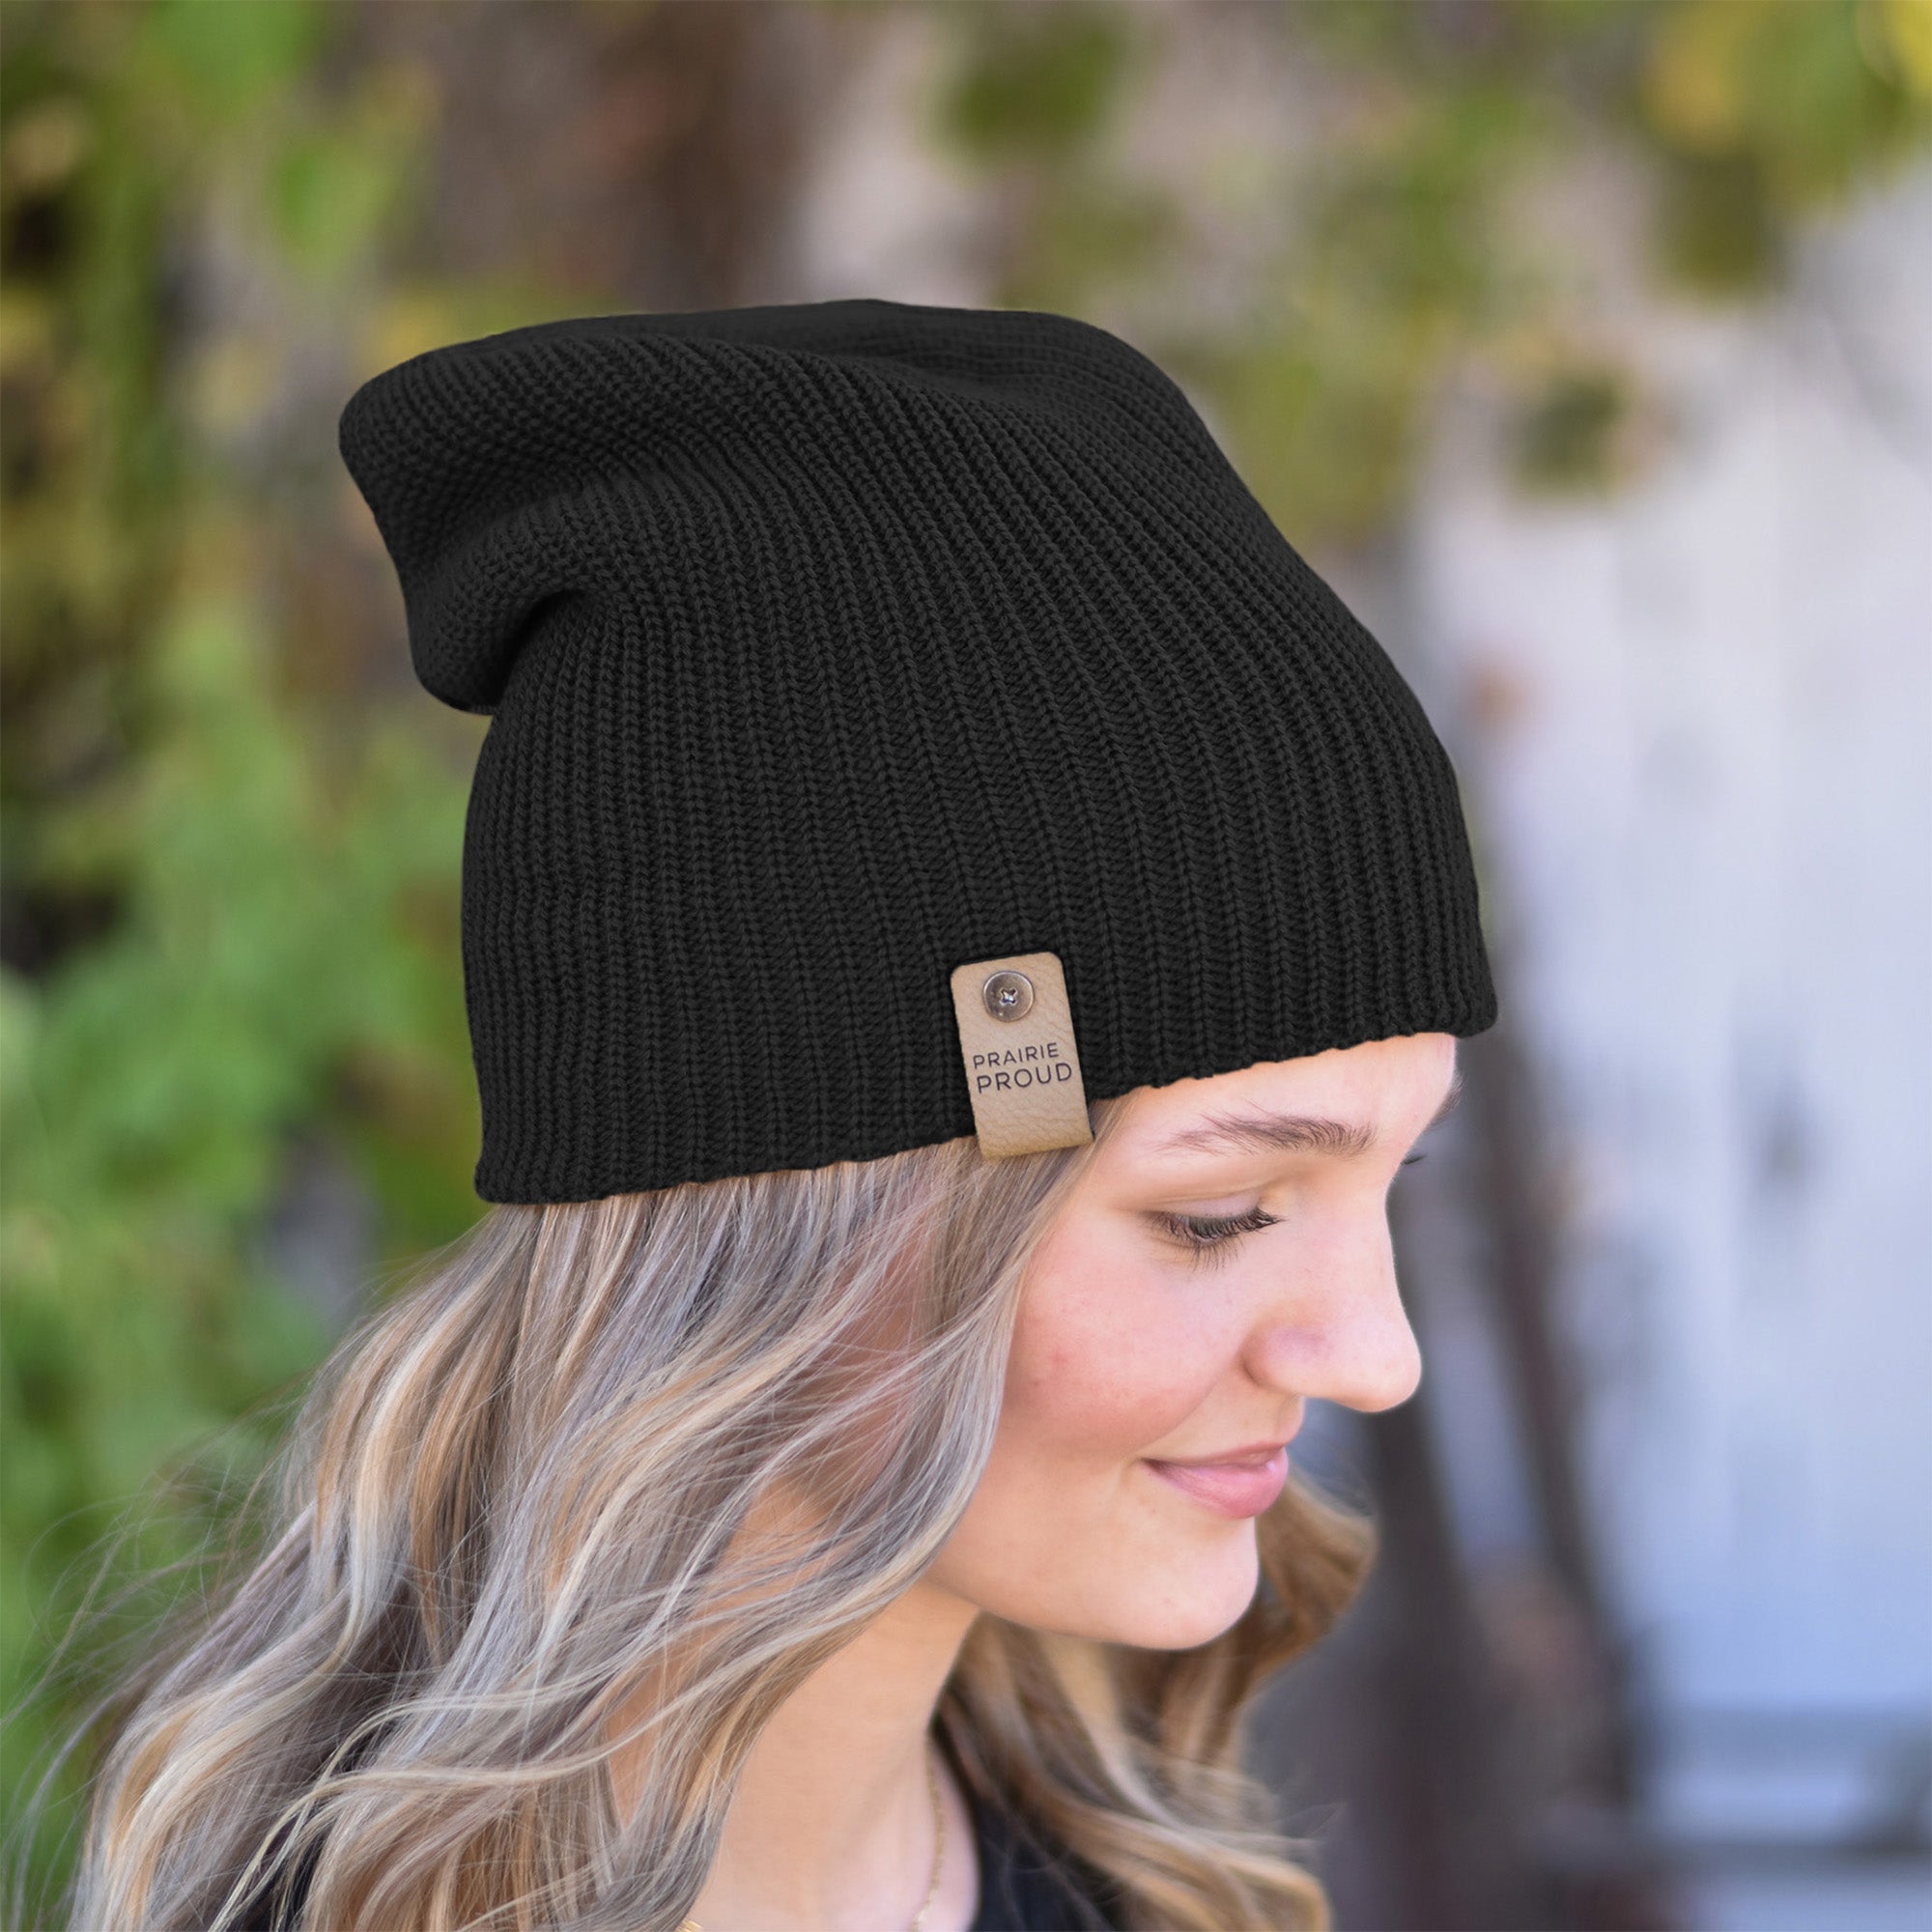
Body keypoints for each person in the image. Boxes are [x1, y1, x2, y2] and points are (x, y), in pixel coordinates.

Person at [57, 298, 1497, 1932]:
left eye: (1394, 1179)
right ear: (783, 1217)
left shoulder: (1143, 1894)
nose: (1376, 1356)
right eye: (1217, 1217)